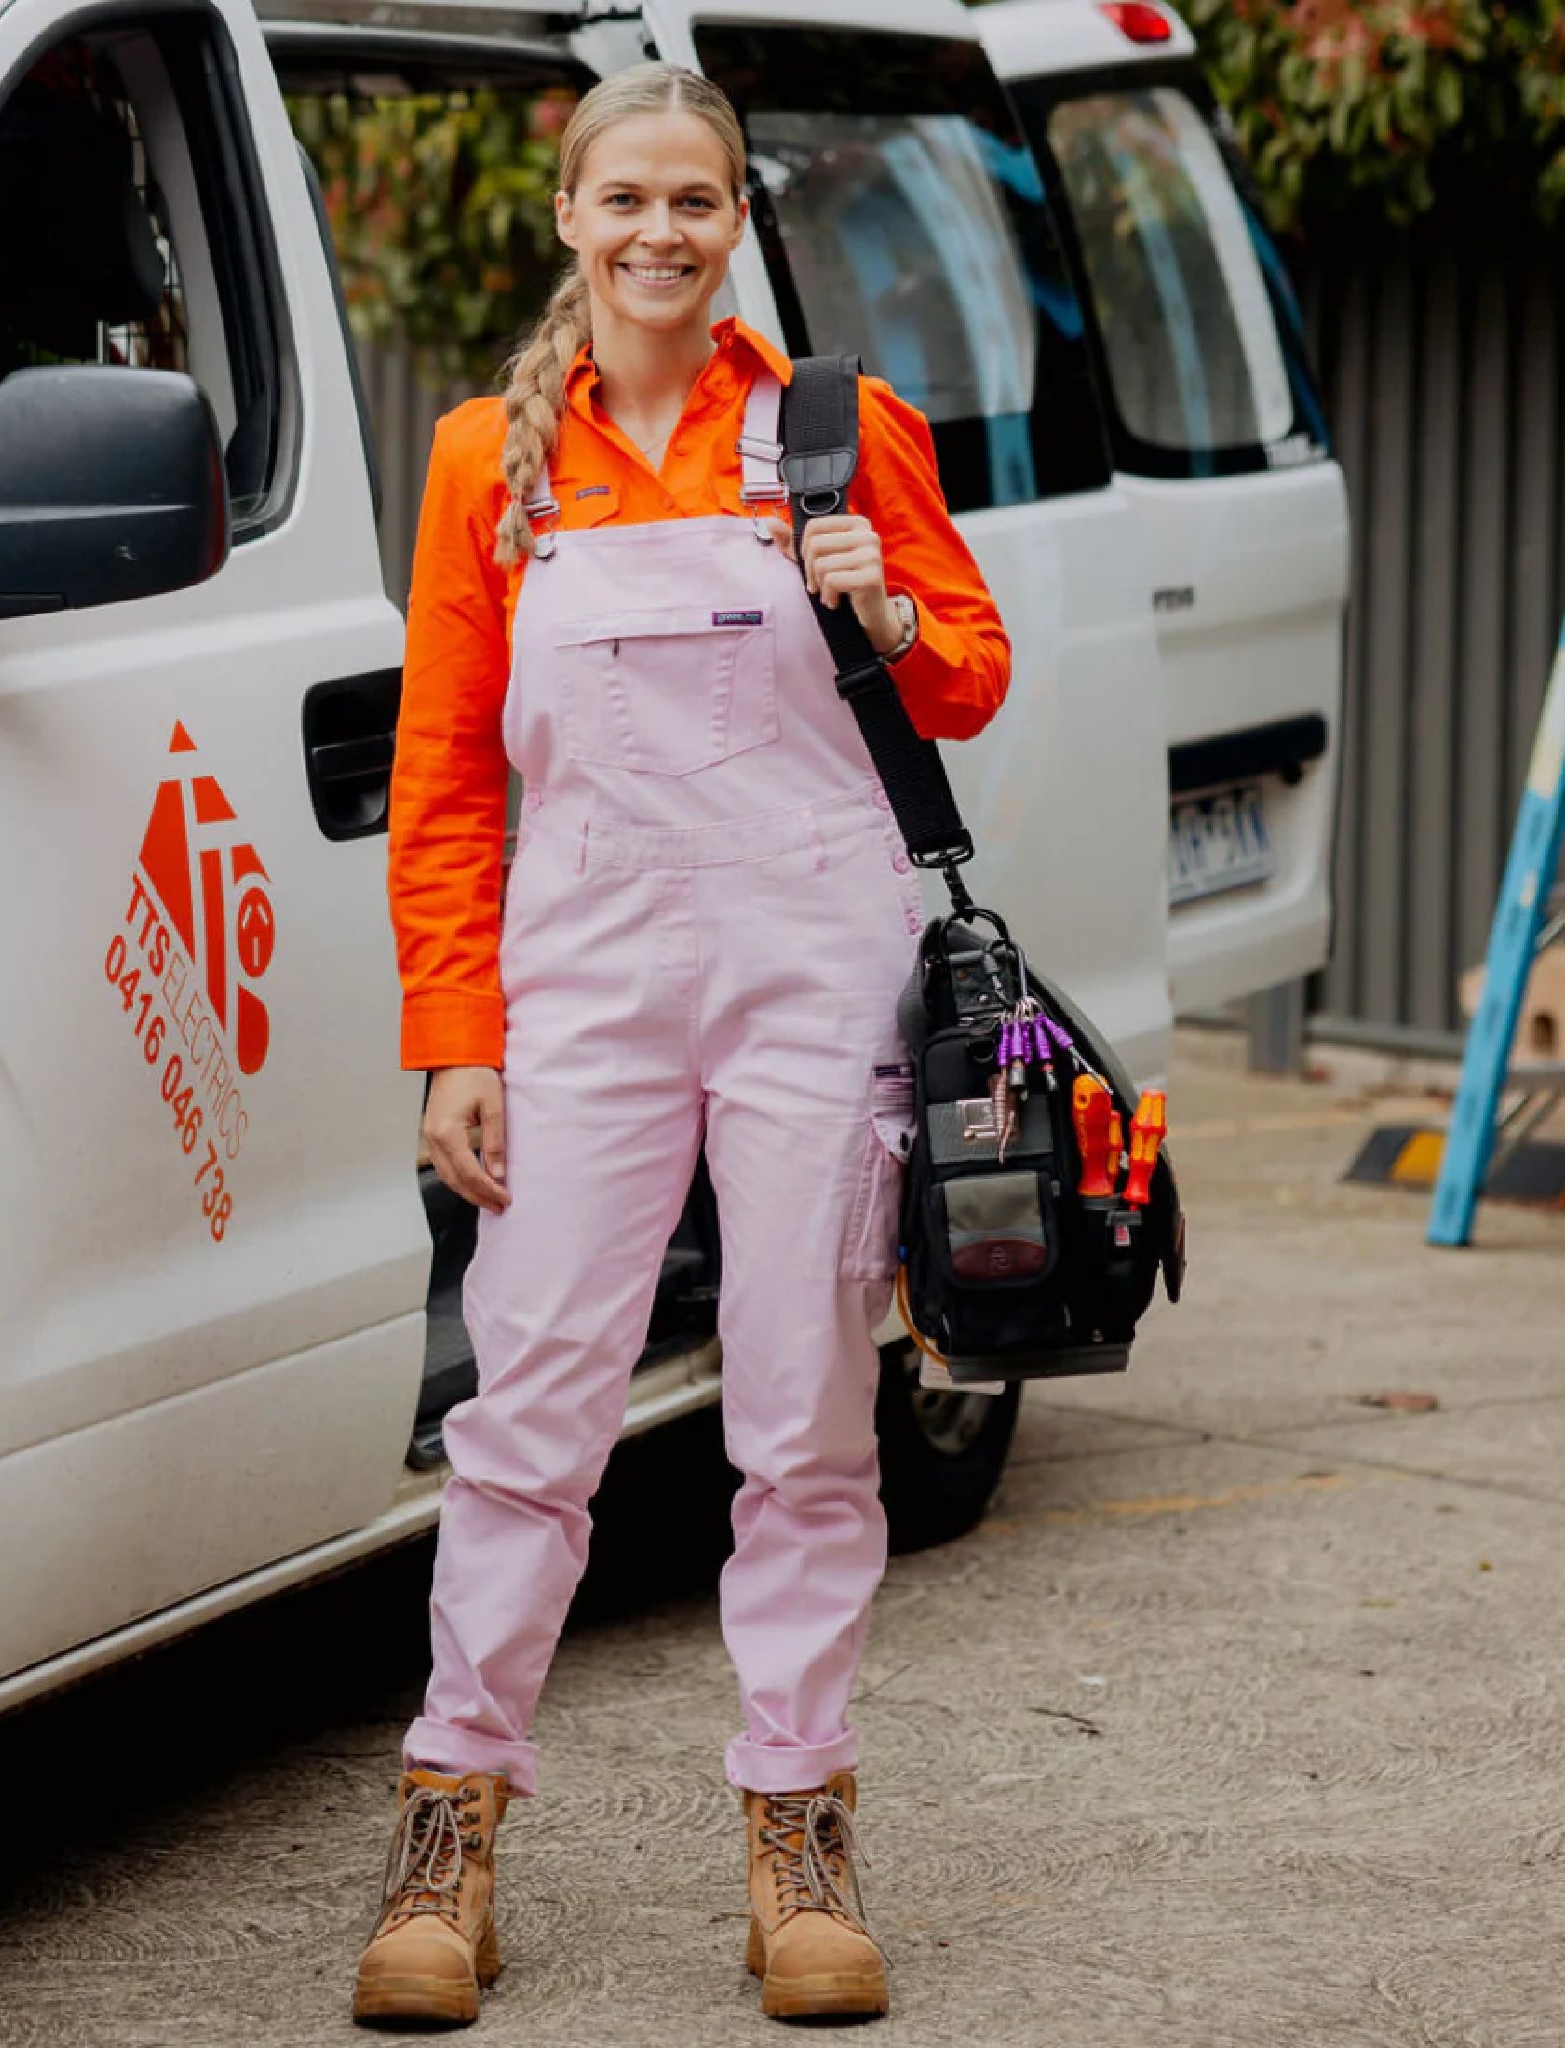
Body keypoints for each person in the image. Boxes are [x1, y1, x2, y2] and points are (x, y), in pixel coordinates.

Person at [355, 62, 1010, 2028]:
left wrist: (880, 600)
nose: (658, 234)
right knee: (527, 1412)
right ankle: (448, 1827)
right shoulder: (494, 457)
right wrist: (451, 1029)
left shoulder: (833, 426)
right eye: (623, 199)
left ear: (740, 225)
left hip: (812, 970)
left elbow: (970, 677)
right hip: (583, 985)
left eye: (696, 204)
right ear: (567, 214)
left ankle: (797, 1826)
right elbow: (444, 776)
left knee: (805, 1408)